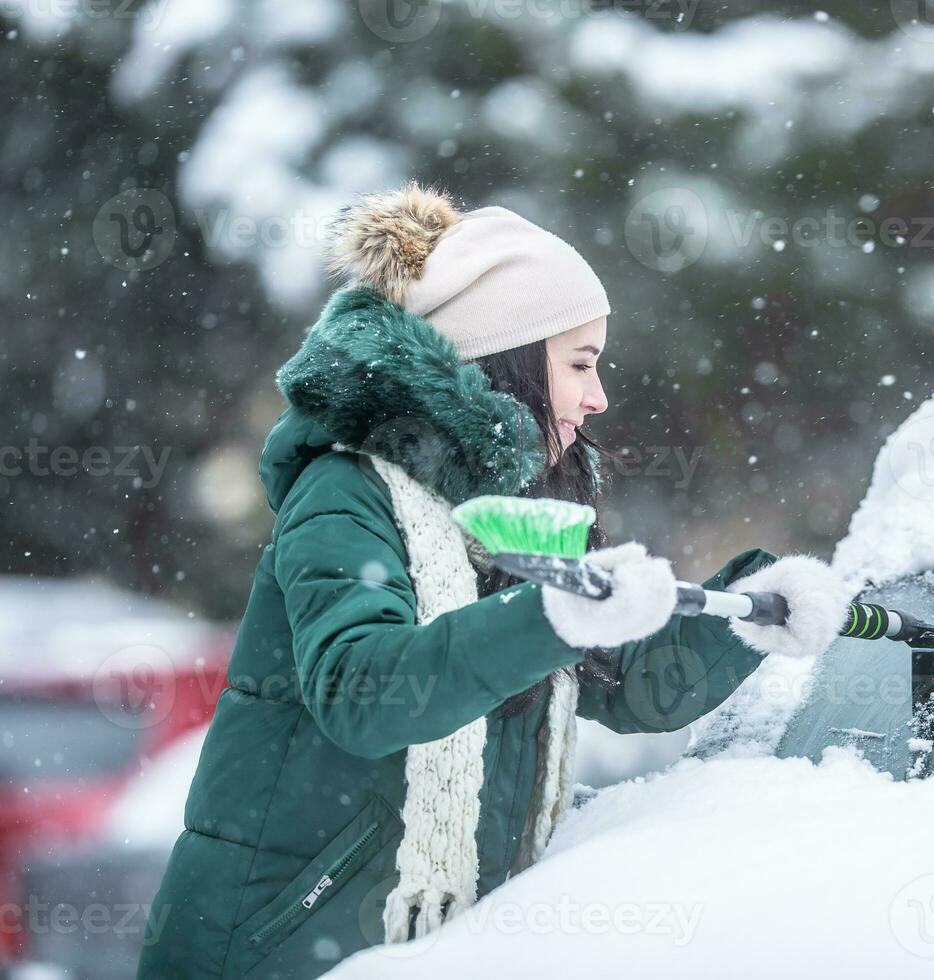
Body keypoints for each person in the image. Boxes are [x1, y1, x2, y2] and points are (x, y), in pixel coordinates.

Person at [138, 183, 854, 979]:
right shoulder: (347, 490)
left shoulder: (507, 513)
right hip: (277, 945)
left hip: (422, 949)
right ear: (502, 357)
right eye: (579, 363)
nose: (598, 396)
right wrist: (551, 614)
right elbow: (364, 691)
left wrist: (752, 609)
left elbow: (621, 686)